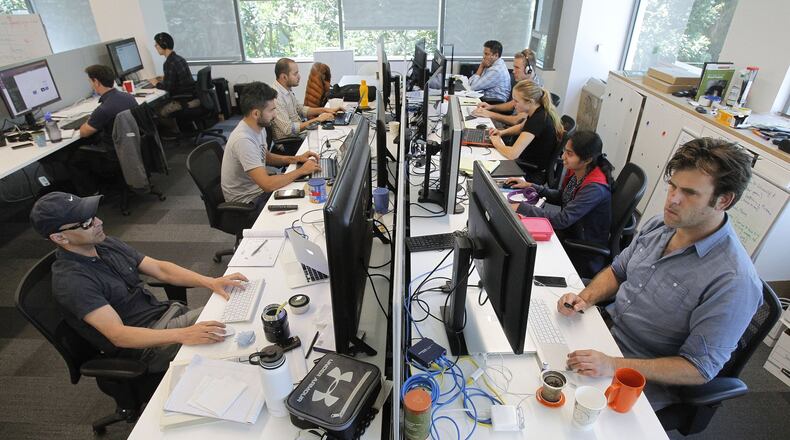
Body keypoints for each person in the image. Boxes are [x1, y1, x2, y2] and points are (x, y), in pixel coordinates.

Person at [557, 138, 762, 410]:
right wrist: (585, 298)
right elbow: (618, 271)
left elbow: (698, 368)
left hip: (638, 377)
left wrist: (612, 364)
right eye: (673, 186)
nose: (673, 200)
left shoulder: (733, 280)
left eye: (689, 193)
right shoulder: (663, 224)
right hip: (604, 337)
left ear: (723, 200)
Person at [29, 192, 248, 373]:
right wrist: (183, 334)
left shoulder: (104, 243)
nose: (99, 222)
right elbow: (119, 335)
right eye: (87, 223)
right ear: (60, 238)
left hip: (167, 315)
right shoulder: (72, 281)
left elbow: (160, 269)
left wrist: (211, 281)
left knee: (240, 313)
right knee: (235, 340)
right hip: (147, 345)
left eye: (94, 215)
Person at [506, 131, 613, 275]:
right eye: (564, 152)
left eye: (569, 154)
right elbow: (563, 196)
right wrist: (531, 186)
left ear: (587, 159)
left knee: (522, 250)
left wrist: (521, 207)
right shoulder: (578, 170)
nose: (563, 157)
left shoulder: (594, 188)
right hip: (570, 229)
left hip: (581, 246)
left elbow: (562, 220)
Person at [221, 81, 321, 215]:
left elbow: (266, 156)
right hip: (247, 203)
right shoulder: (243, 140)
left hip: (258, 190)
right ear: (256, 113)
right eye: (272, 110)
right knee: (303, 206)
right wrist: (301, 171)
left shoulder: (257, 127)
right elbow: (267, 184)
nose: (275, 115)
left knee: (305, 192)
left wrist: (296, 159)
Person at [67, 64, 138, 196]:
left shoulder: (103, 109)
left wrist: (89, 120)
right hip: (132, 146)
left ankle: (92, 194)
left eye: (90, 81)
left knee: (75, 159)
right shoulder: (129, 97)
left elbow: (84, 132)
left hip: (113, 155)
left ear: (96, 82)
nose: (90, 85)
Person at [488, 80, 564, 183]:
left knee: (487, 168)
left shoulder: (538, 119)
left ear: (530, 101)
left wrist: (496, 143)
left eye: (516, 101)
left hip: (530, 171)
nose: (513, 104)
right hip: (526, 163)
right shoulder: (538, 110)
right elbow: (520, 127)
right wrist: (502, 133)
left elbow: (512, 154)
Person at [271, 58, 340, 141]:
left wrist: (325, 110)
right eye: (295, 74)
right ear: (284, 77)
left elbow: (301, 109)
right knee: (329, 138)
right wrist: (318, 119)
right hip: (290, 143)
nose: (299, 76)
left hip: (300, 134)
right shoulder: (276, 97)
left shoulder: (286, 89)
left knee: (333, 133)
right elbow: (288, 130)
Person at [472, 48, 540, 126]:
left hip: (513, 131)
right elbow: (512, 104)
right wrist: (491, 107)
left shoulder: (533, 91)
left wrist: (490, 114)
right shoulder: (524, 83)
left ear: (529, 70)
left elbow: (517, 120)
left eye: (517, 68)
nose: (513, 71)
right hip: (508, 124)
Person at [149, 32, 199, 117]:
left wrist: (155, 83)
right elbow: (179, 78)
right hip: (192, 97)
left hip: (182, 101)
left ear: (163, 45)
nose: (155, 47)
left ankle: (173, 130)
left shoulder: (169, 63)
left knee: (154, 109)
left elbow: (168, 88)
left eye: (156, 44)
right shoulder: (179, 59)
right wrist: (165, 77)